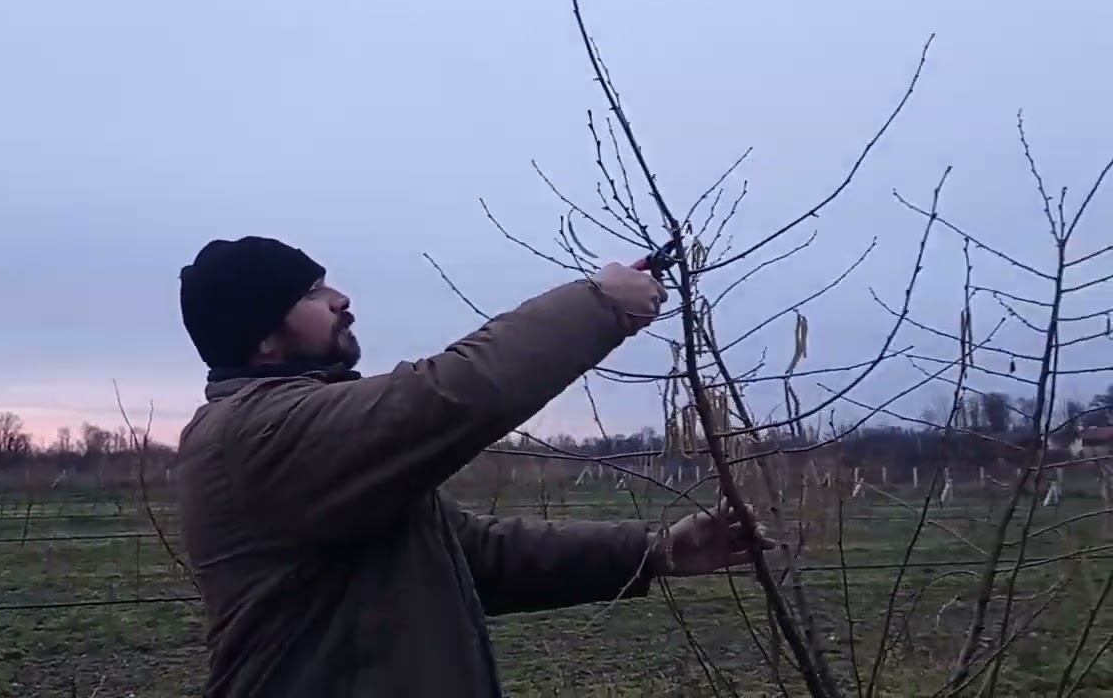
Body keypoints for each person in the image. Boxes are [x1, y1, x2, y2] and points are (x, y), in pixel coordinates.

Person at [175, 236, 774, 698]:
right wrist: (598, 306)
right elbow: (447, 396)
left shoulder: (315, 448)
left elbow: (472, 555)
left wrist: (654, 552)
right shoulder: (257, 434)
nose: (340, 299)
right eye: (310, 293)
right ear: (263, 342)